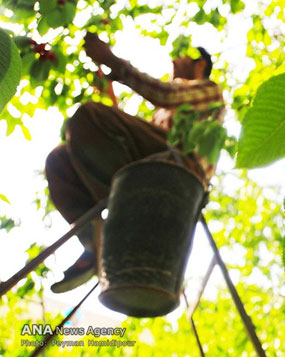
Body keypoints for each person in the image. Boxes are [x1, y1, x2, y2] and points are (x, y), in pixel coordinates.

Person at [45, 32, 224, 293]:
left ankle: (109, 222)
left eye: (181, 56)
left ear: (200, 65)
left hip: (179, 169)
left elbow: (166, 94)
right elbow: (130, 142)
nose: (173, 61)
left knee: (87, 115)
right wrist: (111, 94)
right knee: (58, 160)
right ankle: (95, 242)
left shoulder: (208, 90)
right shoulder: (163, 115)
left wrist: (112, 60)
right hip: (148, 168)